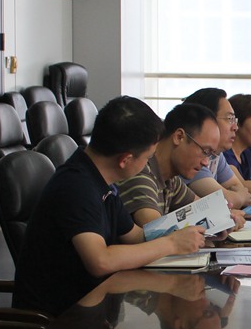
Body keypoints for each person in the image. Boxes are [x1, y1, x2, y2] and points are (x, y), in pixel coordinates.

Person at [13, 96, 207, 317]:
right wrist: (171, 244)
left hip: (91, 307)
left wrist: (186, 232)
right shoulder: (76, 186)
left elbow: (135, 236)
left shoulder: (101, 181)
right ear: (125, 159)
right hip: (58, 322)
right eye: (147, 158)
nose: (148, 164)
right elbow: (100, 261)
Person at [117, 102, 246, 230]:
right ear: (179, 137)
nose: (206, 162)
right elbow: (155, 229)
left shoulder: (171, 180)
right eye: (205, 151)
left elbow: (205, 211)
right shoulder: (141, 171)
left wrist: (226, 217)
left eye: (210, 155)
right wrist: (217, 221)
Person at [181, 87, 251, 209]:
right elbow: (227, 201)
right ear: (206, 121)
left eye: (234, 120)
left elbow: (240, 189)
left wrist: (237, 197)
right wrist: (237, 197)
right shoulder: (193, 157)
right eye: (229, 119)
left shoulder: (217, 154)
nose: (235, 127)